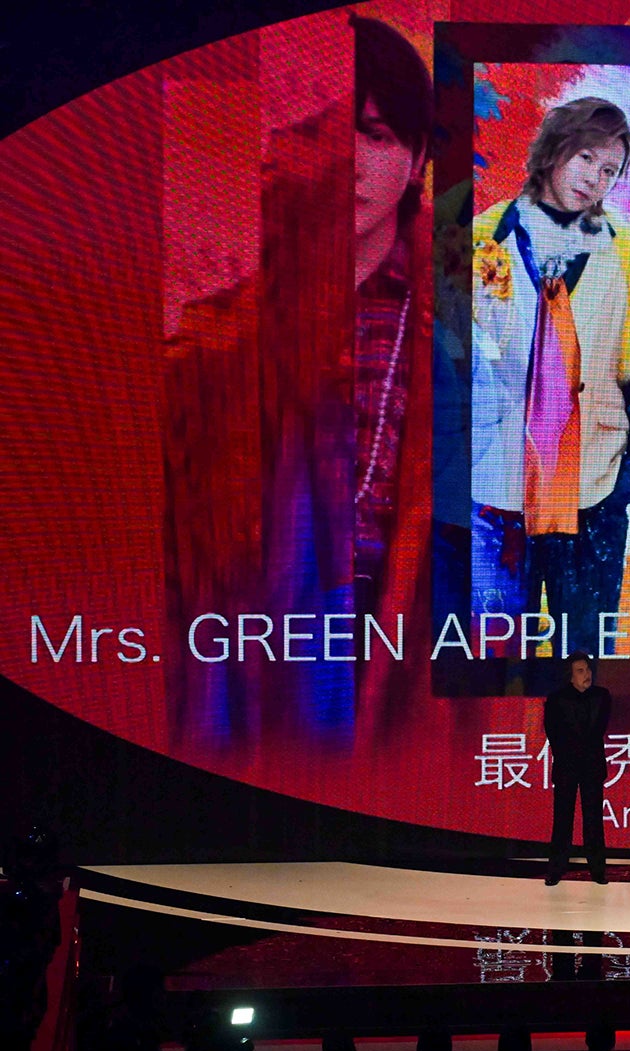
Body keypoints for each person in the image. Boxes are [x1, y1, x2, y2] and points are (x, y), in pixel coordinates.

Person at [163, 16, 434, 740]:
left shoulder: (467, 328)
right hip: (249, 656)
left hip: (401, 661)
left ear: (416, 160)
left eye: (375, 135)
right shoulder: (215, 336)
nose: (348, 161)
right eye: (324, 133)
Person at [472, 97, 630, 661]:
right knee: (492, 657)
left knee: (587, 660)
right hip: (496, 491)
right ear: (555, 149)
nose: (594, 179)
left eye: (609, 170)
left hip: (593, 488)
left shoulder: (627, 253)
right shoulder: (488, 239)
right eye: (586, 158)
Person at [542, 651, 611, 885]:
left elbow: (600, 728)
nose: (586, 674)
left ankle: (598, 869)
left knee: (593, 819)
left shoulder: (602, 696)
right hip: (567, 766)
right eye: (580, 671)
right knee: (562, 819)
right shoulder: (556, 699)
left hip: (592, 765)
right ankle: (556, 869)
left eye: (588, 669)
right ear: (570, 676)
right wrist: (568, 754)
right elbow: (552, 731)